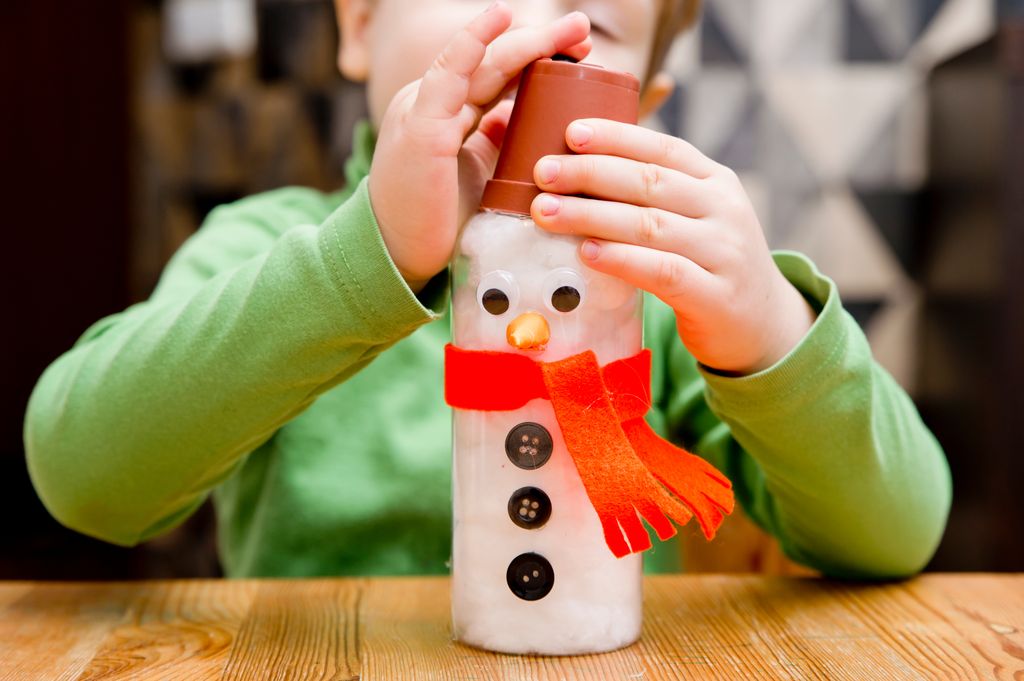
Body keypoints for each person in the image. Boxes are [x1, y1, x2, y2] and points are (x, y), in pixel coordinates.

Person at [24, 0, 951, 578]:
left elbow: (898, 535)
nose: (537, 43)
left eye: (598, 26)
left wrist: (769, 333)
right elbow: (83, 478)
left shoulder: (657, 294)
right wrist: (372, 253)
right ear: (358, 24)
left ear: (644, 105)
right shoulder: (269, 250)